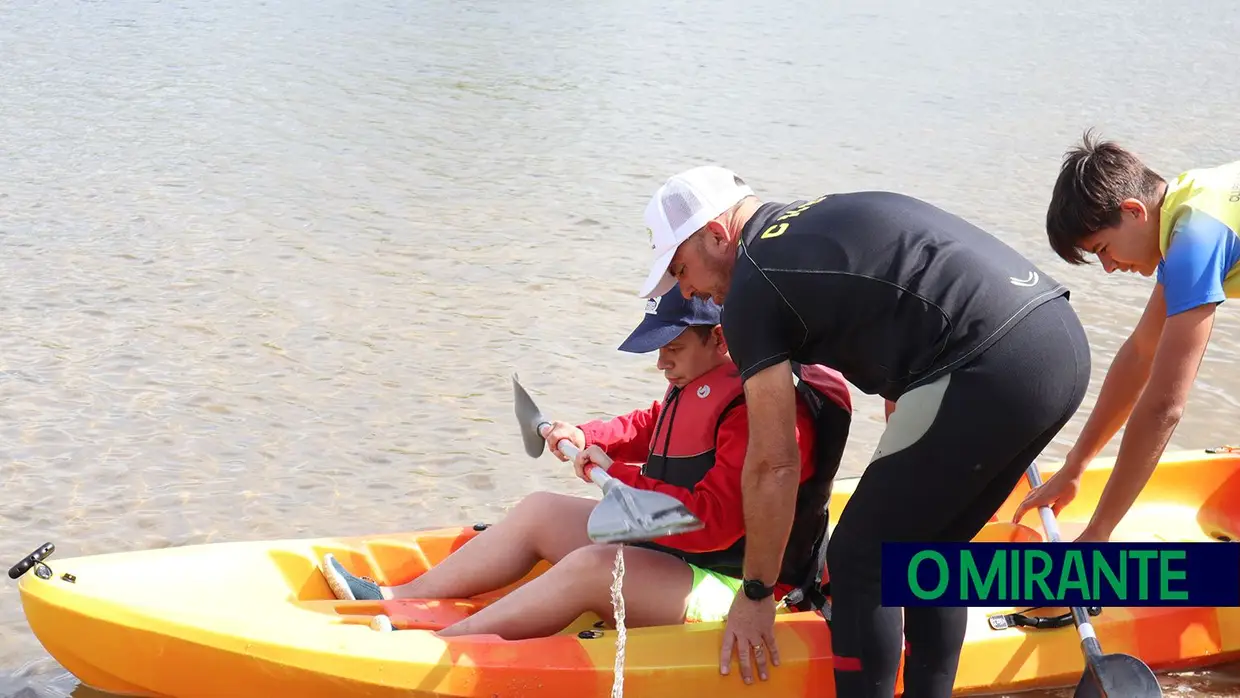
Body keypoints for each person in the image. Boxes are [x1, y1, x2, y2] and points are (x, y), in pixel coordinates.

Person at [635, 165, 1092, 697]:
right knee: (933, 551)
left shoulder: (752, 289)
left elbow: (775, 461)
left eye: (680, 266)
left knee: (859, 558)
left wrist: (756, 593)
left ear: (716, 233)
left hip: (990, 363)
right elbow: (908, 280)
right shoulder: (809, 219)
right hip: (1058, 341)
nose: (686, 288)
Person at [318, 284, 852, 641]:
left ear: (718, 338)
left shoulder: (762, 408)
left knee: (595, 568)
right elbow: (650, 427)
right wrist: (587, 435)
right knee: (539, 510)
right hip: (674, 553)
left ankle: (442, 644)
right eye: (657, 348)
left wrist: (617, 478)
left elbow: (710, 523)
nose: (661, 360)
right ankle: (395, 597)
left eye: (674, 347)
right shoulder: (699, 379)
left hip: (739, 588)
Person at [1013, 132, 1240, 540]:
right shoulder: (1184, 210)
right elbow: (1141, 353)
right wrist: (1076, 464)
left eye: (1103, 248)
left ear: (1134, 211)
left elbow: (1164, 407)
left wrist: (1098, 532)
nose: (1109, 268)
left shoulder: (1196, 240)